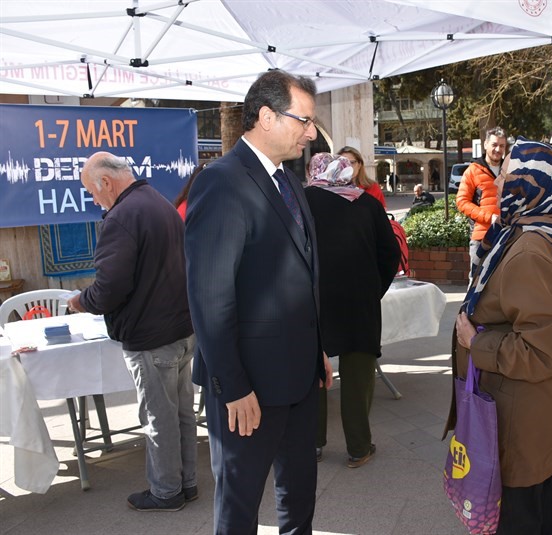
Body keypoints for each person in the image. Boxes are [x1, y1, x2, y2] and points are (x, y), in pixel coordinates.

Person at [184, 70, 333, 534]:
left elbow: (301, 276)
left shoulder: (289, 181)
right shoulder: (222, 182)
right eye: (304, 120)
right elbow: (210, 295)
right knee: (239, 506)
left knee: (299, 495)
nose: (312, 133)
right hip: (247, 387)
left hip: (300, 378)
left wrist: (317, 351)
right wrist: (232, 386)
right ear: (267, 117)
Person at [448, 139, 552, 534]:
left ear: (529, 181)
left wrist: (476, 343)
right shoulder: (536, 233)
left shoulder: (529, 251)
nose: (498, 182)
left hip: (519, 422)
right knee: (539, 516)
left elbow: (542, 350)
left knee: (521, 519)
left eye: (507, 173)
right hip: (532, 416)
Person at [67, 152, 197, 511]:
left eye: (92, 191)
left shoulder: (123, 216)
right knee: (181, 413)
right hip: (179, 329)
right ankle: (185, 483)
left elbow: (110, 288)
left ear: (107, 182)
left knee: (160, 418)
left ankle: (166, 491)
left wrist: (81, 300)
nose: (94, 199)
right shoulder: (158, 202)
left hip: (151, 335)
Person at [303, 153, 400, 467]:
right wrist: (374, 288)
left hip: (311, 300)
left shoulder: (302, 202)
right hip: (359, 300)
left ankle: (312, 444)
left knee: (311, 370)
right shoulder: (367, 203)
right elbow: (390, 253)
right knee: (358, 373)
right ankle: (358, 447)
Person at [456, 126, 507, 269]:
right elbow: (462, 201)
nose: (498, 149)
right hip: (482, 237)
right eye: (494, 144)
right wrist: (489, 218)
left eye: (502, 146)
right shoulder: (472, 170)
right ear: (485, 144)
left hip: (507, 235)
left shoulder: (510, 170)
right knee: (477, 279)